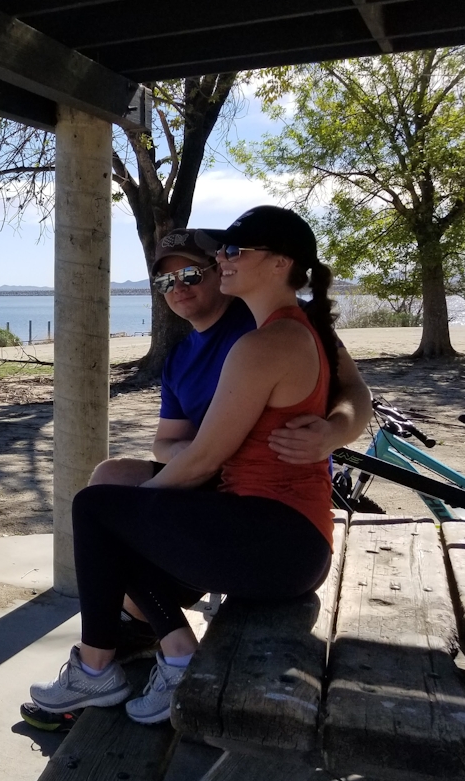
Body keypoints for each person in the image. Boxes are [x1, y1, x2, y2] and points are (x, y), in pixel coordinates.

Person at [29, 206, 346, 725]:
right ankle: (165, 649)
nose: (224, 258)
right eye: (221, 250)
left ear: (279, 263)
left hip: (277, 544)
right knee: (113, 512)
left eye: (233, 250)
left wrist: (128, 514)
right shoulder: (279, 333)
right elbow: (175, 448)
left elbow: (201, 459)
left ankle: (103, 666)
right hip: (284, 540)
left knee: (97, 511)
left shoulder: (264, 342)